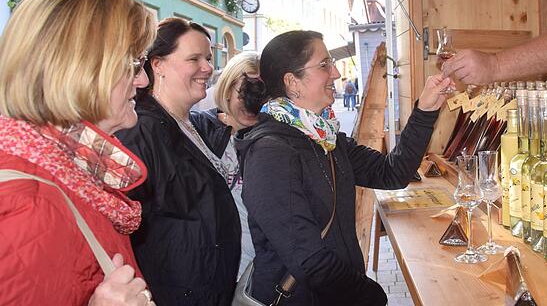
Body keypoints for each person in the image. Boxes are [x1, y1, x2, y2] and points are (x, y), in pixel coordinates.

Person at [235, 30, 452, 305]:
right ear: (292, 82)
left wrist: (426, 110)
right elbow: (310, 260)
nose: (336, 73)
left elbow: (393, 172)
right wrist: (371, 296)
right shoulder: (269, 154)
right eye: (324, 65)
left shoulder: (325, 138)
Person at [0, 0, 156, 305]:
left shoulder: (69, 169)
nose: (142, 80)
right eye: (135, 64)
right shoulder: (23, 204)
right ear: (84, 70)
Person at [115, 18, 240, 305]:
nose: (207, 68)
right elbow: (126, 229)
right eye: (194, 59)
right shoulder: (141, 130)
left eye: (208, 58)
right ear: (157, 65)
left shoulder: (195, 124)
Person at [191, 51, 260, 280]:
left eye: (262, 90)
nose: (254, 99)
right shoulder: (199, 129)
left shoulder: (274, 140)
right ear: (228, 89)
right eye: (246, 89)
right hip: (217, 270)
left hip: (264, 272)